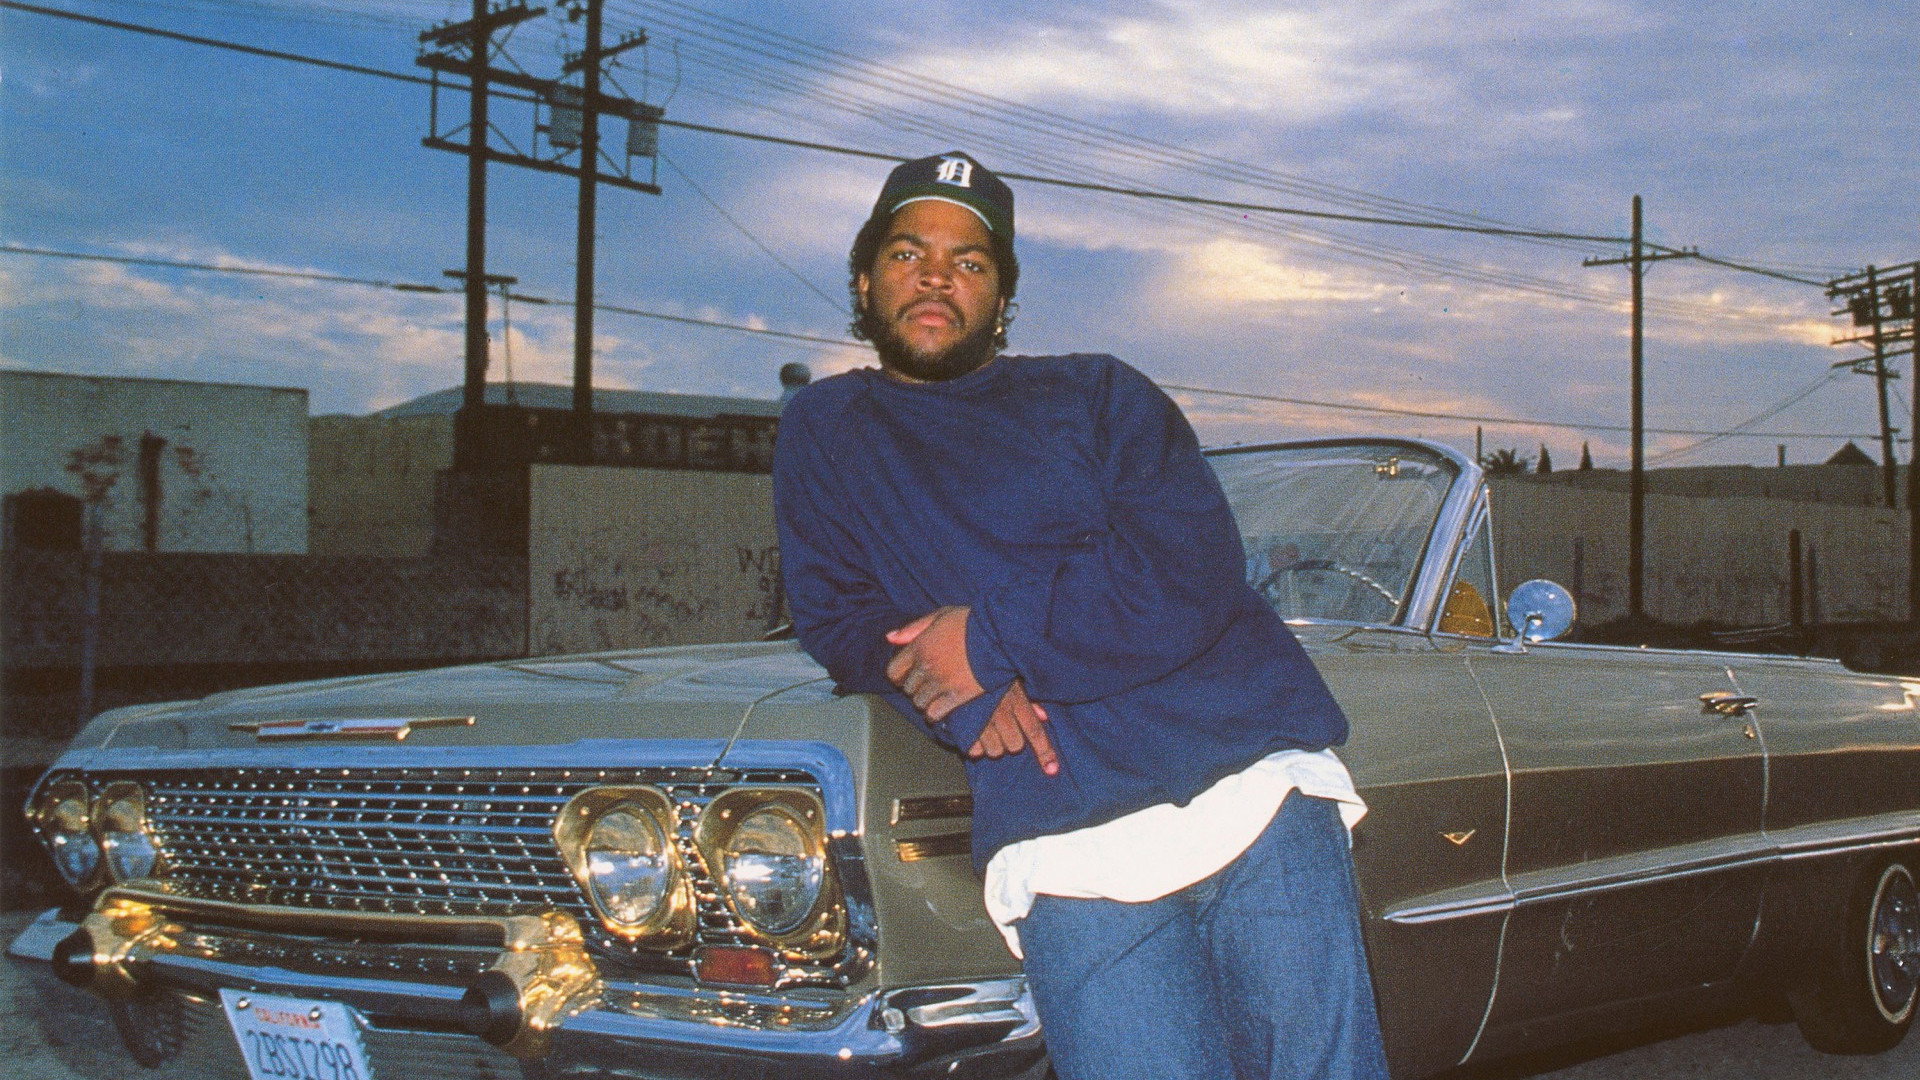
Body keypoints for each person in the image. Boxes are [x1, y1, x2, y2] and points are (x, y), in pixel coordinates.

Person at [772, 150, 1390, 1080]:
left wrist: (987, 641)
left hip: (1249, 790)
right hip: (1061, 827)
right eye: (908, 253)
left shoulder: (1096, 392)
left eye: (969, 261)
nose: (937, 276)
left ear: (1001, 298)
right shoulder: (827, 427)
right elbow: (838, 616)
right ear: (864, 281)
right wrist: (956, 696)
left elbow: (1187, 568)